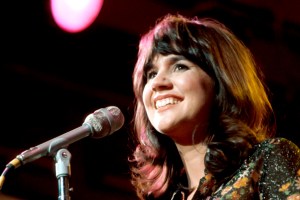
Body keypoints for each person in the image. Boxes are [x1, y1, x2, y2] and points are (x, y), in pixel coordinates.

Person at [127, 13, 300, 200]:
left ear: (220, 82)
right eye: (151, 74)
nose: (157, 83)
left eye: (179, 66)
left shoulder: (266, 161)